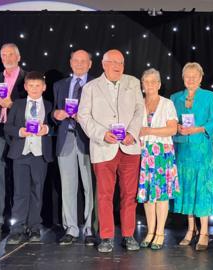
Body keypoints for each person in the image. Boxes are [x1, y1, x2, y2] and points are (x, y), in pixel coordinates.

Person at [78, 49, 144, 253]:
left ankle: (128, 235)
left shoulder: (132, 82)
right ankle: (106, 236)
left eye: (121, 62)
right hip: (103, 147)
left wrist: (132, 132)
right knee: (105, 195)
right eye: (113, 62)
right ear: (104, 64)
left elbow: (139, 109)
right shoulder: (90, 87)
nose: (118, 66)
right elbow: (83, 116)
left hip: (129, 147)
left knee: (129, 194)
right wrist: (101, 134)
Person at [171, 62, 213, 251]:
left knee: (202, 188)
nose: (190, 79)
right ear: (183, 78)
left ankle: (205, 231)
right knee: (186, 188)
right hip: (182, 149)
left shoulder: (210, 96)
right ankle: (191, 229)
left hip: (201, 149)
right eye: (187, 76)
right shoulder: (175, 98)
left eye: (194, 76)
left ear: (201, 78)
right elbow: (171, 121)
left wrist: (197, 129)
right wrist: (178, 128)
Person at [4, 71, 53, 244]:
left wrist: (45, 129)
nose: (34, 89)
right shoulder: (17, 104)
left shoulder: (49, 105)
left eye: (37, 86)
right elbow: (8, 127)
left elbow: (55, 127)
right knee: (19, 193)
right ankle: (17, 229)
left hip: (40, 155)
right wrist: (20, 131)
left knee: (37, 192)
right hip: (21, 154)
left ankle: (34, 228)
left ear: (44, 87)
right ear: (25, 87)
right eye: (30, 86)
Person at [52, 50, 95, 246]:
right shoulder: (59, 85)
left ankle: (89, 228)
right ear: (70, 63)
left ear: (90, 64)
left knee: (89, 187)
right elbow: (53, 110)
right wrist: (56, 114)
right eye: (75, 61)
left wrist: (84, 118)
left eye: (83, 61)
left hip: (87, 141)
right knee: (67, 188)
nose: (79, 64)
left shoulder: (96, 85)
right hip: (65, 139)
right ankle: (71, 228)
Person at [137, 68, 179, 250]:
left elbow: (172, 129)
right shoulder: (138, 103)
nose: (150, 85)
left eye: (154, 81)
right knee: (148, 196)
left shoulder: (167, 103)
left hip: (162, 153)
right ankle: (150, 232)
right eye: (147, 81)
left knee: (161, 195)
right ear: (142, 85)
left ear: (160, 85)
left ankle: (160, 233)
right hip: (144, 153)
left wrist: (149, 131)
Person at [0, 43, 26, 234]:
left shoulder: (27, 78)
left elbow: (32, 108)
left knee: (19, 176)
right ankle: (0, 218)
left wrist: (12, 105)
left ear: (18, 57)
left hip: (19, 132)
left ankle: (20, 221)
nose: (8, 58)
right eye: (4, 55)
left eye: (11, 54)